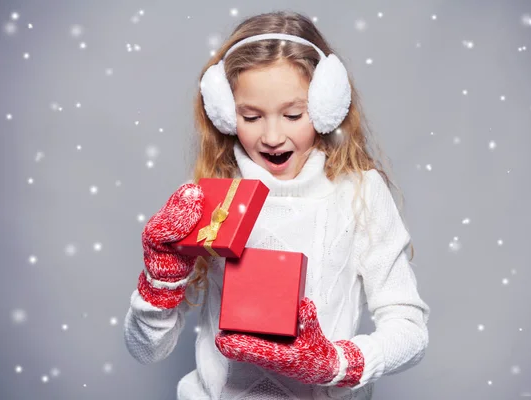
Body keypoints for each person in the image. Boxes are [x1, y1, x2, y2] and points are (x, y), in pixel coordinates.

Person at [124, 10, 430, 400]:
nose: (272, 136)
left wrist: (338, 362)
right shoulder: (206, 198)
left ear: (325, 106)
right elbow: (145, 350)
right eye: (250, 116)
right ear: (224, 112)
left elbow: (409, 329)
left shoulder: (359, 192)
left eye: (292, 115)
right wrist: (160, 282)